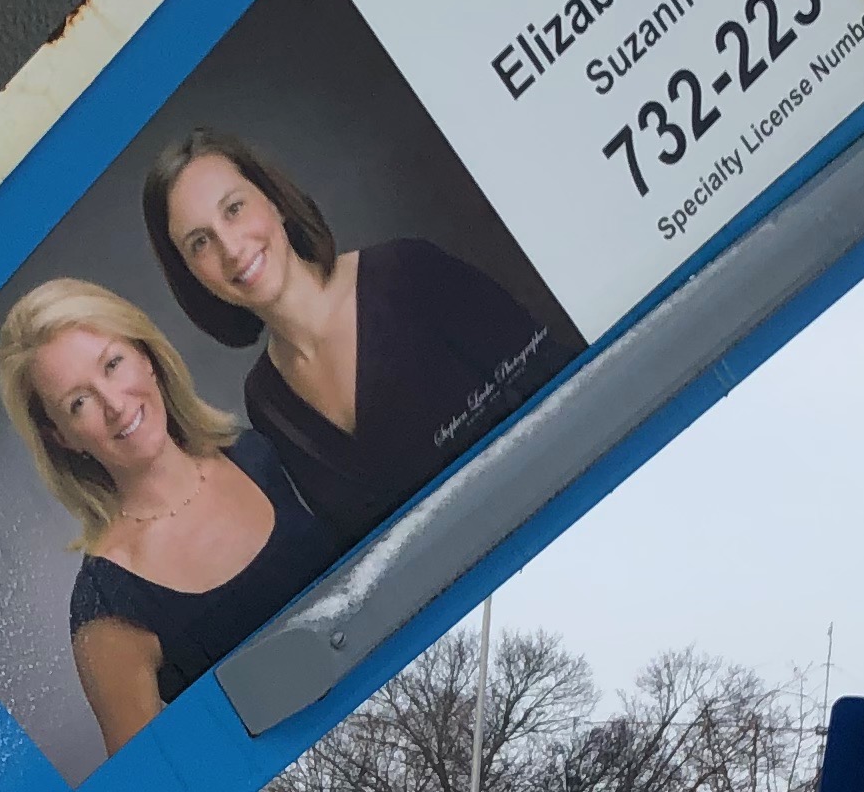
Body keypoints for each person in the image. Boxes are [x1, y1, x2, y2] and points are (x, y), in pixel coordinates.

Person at [141, 129, 566, 544]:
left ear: (273, 201)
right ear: (190, 274)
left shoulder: (410, 273)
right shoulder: (267, 402)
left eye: (234, 209)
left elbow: (563, 387)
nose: (231, 248)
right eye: (200, 242)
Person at [0, 277, 344, 757]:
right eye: (79, 403)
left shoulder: (258, 451)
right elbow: (164, 788)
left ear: (146, 357)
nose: (115, 405)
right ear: (62, 437)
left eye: (113, 364)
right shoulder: (108, 604)